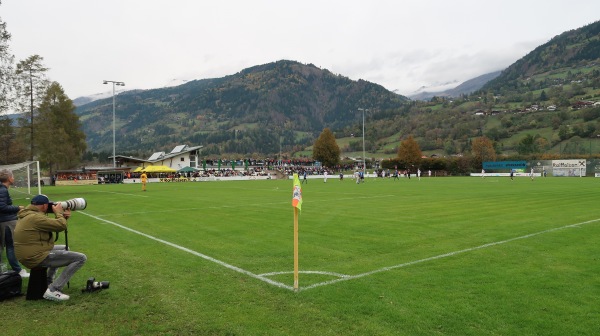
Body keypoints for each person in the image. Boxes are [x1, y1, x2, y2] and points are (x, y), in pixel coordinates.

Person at [14, 194, 87, 302]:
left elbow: (53, 225)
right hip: (35, 256)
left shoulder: (29, 214)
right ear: (44, 206)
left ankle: (48, 282)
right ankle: (53, 290)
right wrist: (58, 213)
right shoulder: (35, 217)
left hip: (30, 252)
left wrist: (63, 217)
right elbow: (60, 226)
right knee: (81, 258)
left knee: (64, 248)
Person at [0, 169, 29, 278]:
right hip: (6, 222)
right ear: (9, 178)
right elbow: (2, 207)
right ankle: (18, 270)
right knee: (11, 246)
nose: (14, 178)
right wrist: (18, 208)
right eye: (13, 176)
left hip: (3, 221)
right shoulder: (2, 190)